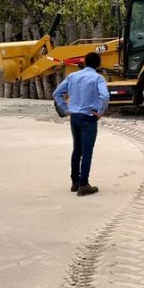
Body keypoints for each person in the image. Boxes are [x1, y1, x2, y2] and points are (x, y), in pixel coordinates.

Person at [53, 52, 110, 196]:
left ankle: (75, 182)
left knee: (76, 150)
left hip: (75, 117)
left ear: (84, 62)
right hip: (89, 117)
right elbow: (105, 95)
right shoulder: (98, 78)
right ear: (98, 64)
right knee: (87, 152)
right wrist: (100, 111)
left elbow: (57, 93)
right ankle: (84, 184)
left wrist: (66, 109)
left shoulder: (72, 76)